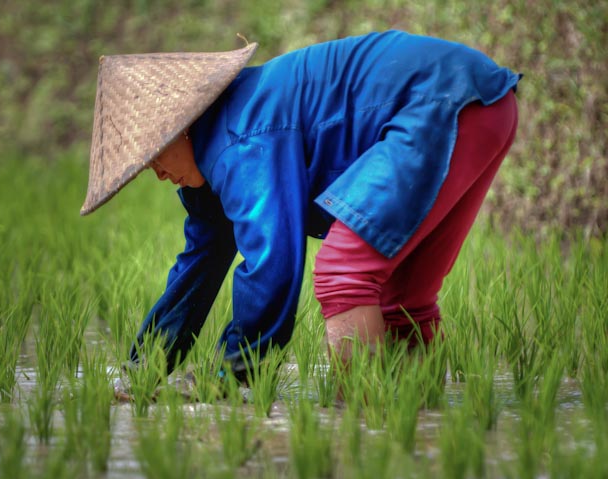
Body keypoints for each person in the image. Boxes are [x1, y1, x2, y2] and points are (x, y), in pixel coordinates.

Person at [81, 30, 520, 386]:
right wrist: (145, 370)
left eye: (153, 155)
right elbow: (199, 264)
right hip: (487, 107)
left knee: (344, 272)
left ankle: (365, 428)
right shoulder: (216, 158)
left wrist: (232, 371)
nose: (156, 173)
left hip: (441, 104)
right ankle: (416, 430)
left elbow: (273, 259)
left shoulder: (241, 138)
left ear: (181, 127)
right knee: (401, 298)